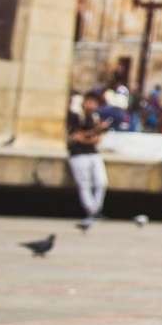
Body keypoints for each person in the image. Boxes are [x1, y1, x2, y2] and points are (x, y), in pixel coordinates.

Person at [68, 89, 109, 227]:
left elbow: (95, 140)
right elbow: (76, 137)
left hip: (93, 153)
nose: (92, 105)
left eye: (94, 103)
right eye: (90, 102)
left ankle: (95, 209)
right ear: (84, 103)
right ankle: (91, 211)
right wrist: (94, 132)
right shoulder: (75, 116)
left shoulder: (95, 117)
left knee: (102, 182)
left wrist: (90, 136)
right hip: (78, 155)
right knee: (84, 184)